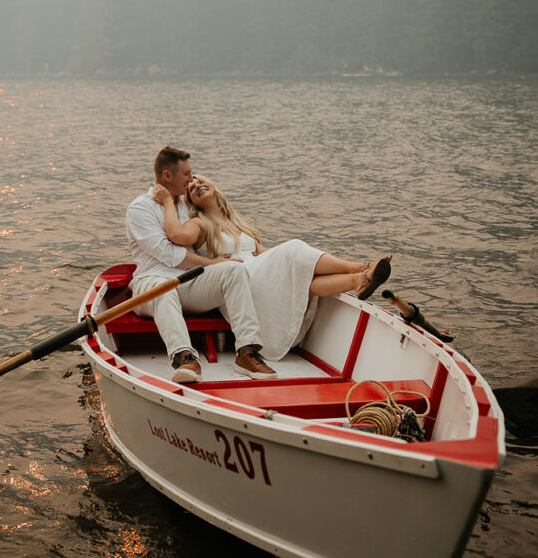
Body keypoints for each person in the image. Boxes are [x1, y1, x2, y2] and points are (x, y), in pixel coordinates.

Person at [152, 175, 392, 362]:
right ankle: (363, 266)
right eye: (191, 188)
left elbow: (261, 254)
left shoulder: (236, 222)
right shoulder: (199, 224)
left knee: (303, 276)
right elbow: (176, 235)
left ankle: (356, 280)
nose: (197, 185)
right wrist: (167, 202)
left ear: (213, 185)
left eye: (200, 181)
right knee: (295, 248)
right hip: (238, 279)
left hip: (259, 269)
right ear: (192, 202)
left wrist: (281, 258)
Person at [126, 147, 278, 383]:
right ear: (167, 176)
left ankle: (247, 352)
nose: (191, 179)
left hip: (190, 283)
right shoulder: (140, 208)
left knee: (233, 269)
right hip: (152, 283)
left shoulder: (188, 207)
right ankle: (184, 358)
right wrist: (210, 263)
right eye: (186, 174)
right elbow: (167, 253)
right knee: (164, 288)